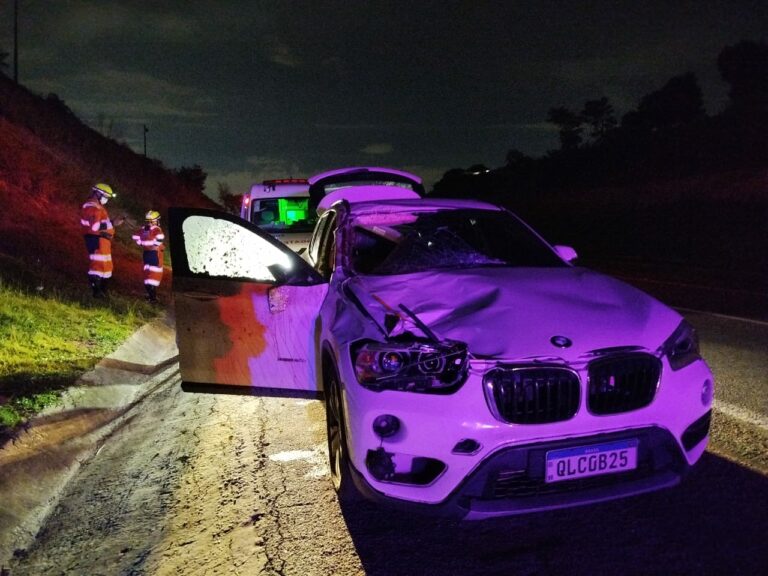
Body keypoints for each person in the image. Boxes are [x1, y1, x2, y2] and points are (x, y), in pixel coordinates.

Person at [80, 183, 120, 298]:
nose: (106, 199)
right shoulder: (93, 207)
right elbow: (95, 227)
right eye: (105, 196)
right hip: (97, 240)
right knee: (97, 266)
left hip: (102, 240)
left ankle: (102, 292)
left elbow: (99, 224)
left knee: (105, 267)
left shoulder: (97, 206)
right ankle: (97, 294)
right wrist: (113, 223)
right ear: (97, 193)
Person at [132, 210, 165, 303]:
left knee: (147, 274)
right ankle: (153, 299)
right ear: (156, 220)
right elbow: (161, 237)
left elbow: (134, 236)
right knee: (154, 276)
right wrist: (155, 245)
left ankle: (150, 296)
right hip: (155, 254)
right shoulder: (156, 229)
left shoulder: (143, 229)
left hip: (146, 254)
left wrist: (141, 244)